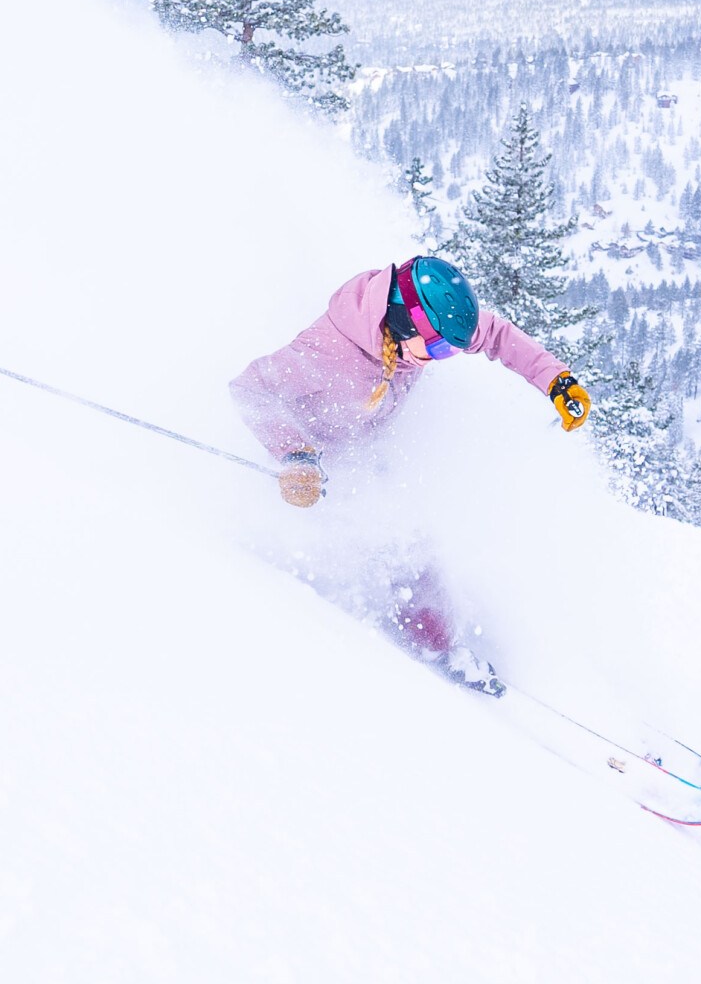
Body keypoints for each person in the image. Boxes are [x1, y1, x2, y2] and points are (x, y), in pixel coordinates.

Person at [228, 255, 590, 689]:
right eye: (438, 348)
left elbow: (494, 335)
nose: (444, 357)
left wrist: (555, 380)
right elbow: (250, 389)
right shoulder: (329, 351)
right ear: (404, 322)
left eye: (452, 349)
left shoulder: (420, 328)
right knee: (397, 544)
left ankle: (436, 641)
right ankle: (410, 644)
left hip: (364, 452)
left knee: (413, 541)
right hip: (315, 468)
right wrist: (295, 455)